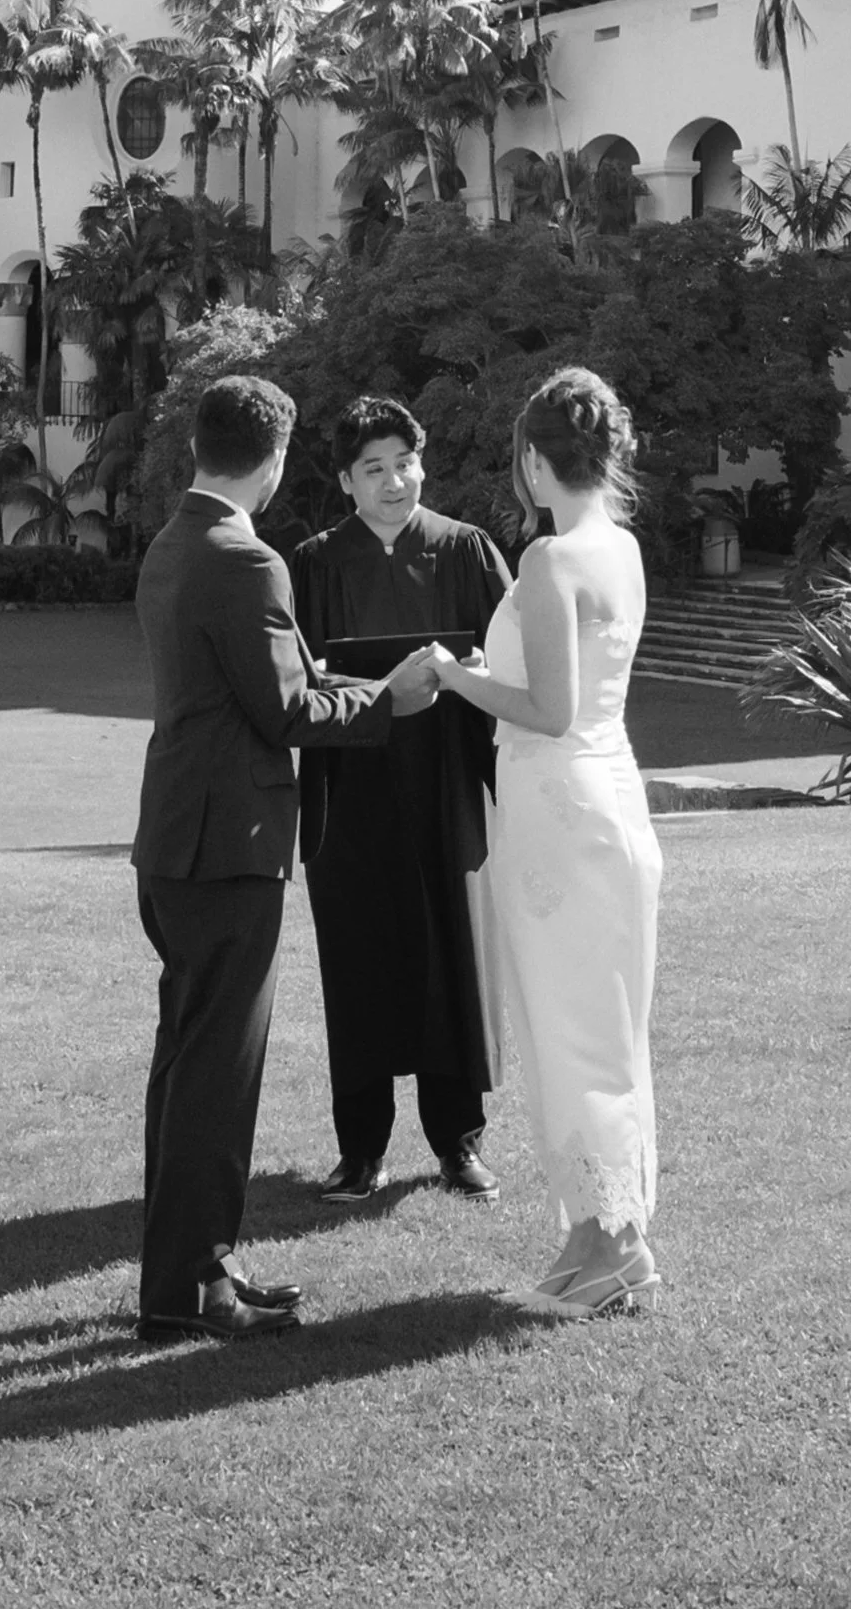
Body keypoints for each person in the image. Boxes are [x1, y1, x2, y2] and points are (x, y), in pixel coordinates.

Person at [131, 372, 442, 1343]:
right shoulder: (247, 557)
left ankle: (182, 1276)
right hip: (229, 844)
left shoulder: (176, 540)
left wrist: (365, 684)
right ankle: (194, 1286)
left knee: (187, 1064)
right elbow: (286, 708)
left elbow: (286, 679)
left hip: (179, 835)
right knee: (216, 1073)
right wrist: (389, 700)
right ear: (271, 457)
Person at [427, 366, 661, 1321]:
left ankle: (614, 1245)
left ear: (532, 461)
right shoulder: (624, 549)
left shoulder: (549, 562)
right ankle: (593, 1236)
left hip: (562, 810)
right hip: (606, 800)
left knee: (575, 1027)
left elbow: (549, 711)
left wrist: (454, 675)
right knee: (594, 1024)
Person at [291, 396, 514, 1204]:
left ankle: (459, 1144)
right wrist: (390, 687)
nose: (394, 483)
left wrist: (474, 673)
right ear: (347, 482)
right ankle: (361, 1149)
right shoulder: (313, 564)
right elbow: (298, 680)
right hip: (352, 795)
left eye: (406, 464)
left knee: (452, 957)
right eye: (374, 470)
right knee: (361, 961)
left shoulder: (467, 550)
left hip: (448, 787)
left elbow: (515, 670)